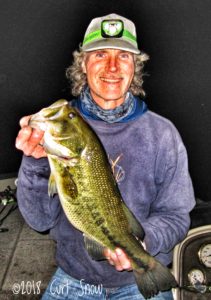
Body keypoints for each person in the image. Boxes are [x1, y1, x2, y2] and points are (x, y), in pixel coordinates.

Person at [15, 13, 195, 300]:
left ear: (135, 68)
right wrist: (35, 162)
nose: (112, 67)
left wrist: (144, 243)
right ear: (83, 65)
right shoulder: (57, 133)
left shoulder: (163, 134)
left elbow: (175, 215)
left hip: (138, 282)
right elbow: (38, 221)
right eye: (99, 54)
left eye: (123, 56)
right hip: (74, 278)